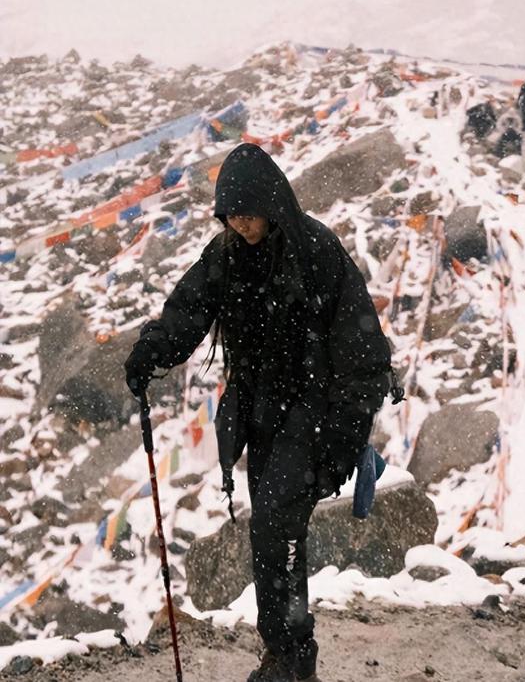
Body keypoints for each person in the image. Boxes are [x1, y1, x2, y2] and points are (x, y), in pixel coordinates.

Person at [124, 143, 394, 682]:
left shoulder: (317, 252)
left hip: (315, 410)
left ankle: (290, 654)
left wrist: (346, 431)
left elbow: (362, 350)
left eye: (247, 215)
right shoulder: (223, 255)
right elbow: (188, 312)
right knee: (272, 531)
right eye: (231, 216)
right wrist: (150, 351)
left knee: (274, 522)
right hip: (259, 411)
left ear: (271, 204)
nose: (241, 225)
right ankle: (287, 652)